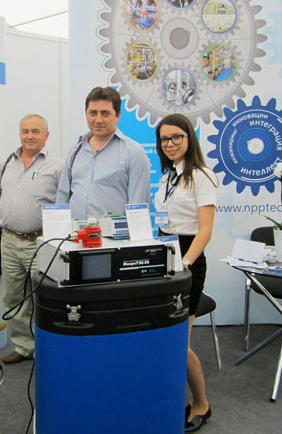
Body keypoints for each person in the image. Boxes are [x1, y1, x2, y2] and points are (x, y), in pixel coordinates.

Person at [0, 114, 63, 364]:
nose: (30, 136)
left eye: (36, 131)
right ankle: (23, 347)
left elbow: (68, 201)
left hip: (41, 243)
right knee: (13, 297)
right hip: (9, 242)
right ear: (20, 134)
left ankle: (49, 349)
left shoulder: (58, 166)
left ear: (46, 135)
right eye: (25, 131)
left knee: (44, 298)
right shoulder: (7, 163)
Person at [153, 113, 218, 432]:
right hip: (165, 255)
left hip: (187, 261)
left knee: (179, 343)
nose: (170, 144)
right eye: (164, 139)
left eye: (176, 137)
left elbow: (205, 231)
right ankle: (177, 402)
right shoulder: (168, 177)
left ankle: (202, 404)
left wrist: (186, 263)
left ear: (189, 138)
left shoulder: (202, 176)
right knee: (166, 340)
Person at [56, 86, 151, 219]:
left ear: (118, 115)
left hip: (113, 233)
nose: (98, 120)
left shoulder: (134, 153)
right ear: (86, 114)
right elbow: (62, 198)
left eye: (105, 113)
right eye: (93, 113)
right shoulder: (75, 151)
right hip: (75, 232)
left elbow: (138, 208)